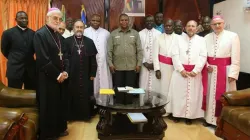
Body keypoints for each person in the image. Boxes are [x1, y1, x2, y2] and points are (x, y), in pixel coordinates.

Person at [33, 8, 69, 139]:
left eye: (60, 19)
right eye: (55, 18)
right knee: (49, 105)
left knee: (59, 104)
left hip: (60, 76)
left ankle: (59, 128)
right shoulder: (40, 34)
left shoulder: (58, 36)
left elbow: (64, 55)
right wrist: (57, 75)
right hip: (47, 77)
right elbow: (42, 58)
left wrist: (65, 71)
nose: (58, 21)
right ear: (47, 18)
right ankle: (49, 134)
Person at [204, 15, 240, 126]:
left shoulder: (233, 36)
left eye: (219, 23)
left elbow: (236, 57)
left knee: (224, 96)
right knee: (210, 95)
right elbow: (203, 55)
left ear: (223, 24)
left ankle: (223, 122)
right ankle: (209, 120)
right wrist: (206, 65)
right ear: (211, 26)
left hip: (226, 71)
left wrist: (233, 73)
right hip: (211, 71)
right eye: (215, 24)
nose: (217, 26)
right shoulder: (206, 37)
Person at [169, 20, 207, 125]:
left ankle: (190, 116)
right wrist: (181, 69)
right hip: (180, 72)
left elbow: (203, 56)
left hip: (194, 73)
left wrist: (196, 70)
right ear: (185, 28)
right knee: (178, 95)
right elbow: (174, 55)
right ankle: (176, 114)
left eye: (193, 26)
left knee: (193, 95)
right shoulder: (178, 39)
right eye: (189, 26)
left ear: (196, 28)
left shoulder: (201, 40)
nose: (191, 28)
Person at [65, 19, 97, 121]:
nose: (79, 29)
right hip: (71, 74)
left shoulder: (89, 41)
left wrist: (93, 73)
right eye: (77, 27)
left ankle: (85, 116)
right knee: (71, 95)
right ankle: (72, 116)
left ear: (84, 29)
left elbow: (93, 59)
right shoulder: (67, 41)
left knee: (86, 94)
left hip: (86, 74)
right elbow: (64, 59)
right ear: (73, 28)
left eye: (81, 27)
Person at [107, 13, 143, 104]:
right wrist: (110, 64)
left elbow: (139, 50)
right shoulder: (113, 34)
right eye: (122, 20)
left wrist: (139, 64)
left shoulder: (135, 33)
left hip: (132, 66)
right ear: (119, 22)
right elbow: (109, 51)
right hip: (117, 67)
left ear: (129, 21)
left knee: (129, 88)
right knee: (119, 88)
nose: (124, 22)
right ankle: (119, 106)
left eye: (126, 20)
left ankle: (128, 105)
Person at [1, 11, 36, 90]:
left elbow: (34, 50)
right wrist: (14, 58)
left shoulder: (34, 33)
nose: (24, 20)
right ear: (15, 19)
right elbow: (4, 50)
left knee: (31, 94)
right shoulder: (8, 33)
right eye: (21, 18)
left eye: (26, 18)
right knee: (13, 95)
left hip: (30, 70)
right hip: (14, 69)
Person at [84, 14, 112, 104]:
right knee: (92, 84)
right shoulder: (85, 32)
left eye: (98, 21)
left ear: (101, 22)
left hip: (103, 64)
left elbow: (109, 48)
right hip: (90, 64)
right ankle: (93, 105)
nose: (95, 22)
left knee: (105, 81)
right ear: (90, 21)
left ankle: (105, 103)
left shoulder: (106, 33)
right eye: (93, 20)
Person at [153, 19, 177, 116]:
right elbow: (155, 55)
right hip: (162, 67)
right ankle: (161, 110)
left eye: (170, 26)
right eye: (166, 26)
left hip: (174, 69)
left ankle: (171, 110)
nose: (167, 27)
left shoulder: (178, 38)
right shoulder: (158, 38)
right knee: (161, 89)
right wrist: (157, 69)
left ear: (173, 27)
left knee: (173, 89)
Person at [139, 15, 161, 96]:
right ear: (145, 22)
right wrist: (145, 63)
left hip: (155, 64)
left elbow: (160, 50)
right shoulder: (140, 33)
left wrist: (155, 64)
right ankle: (142, 102)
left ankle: (153, 102)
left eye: (151, 21)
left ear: (154, 22)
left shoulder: (159, 34)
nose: (149, 23)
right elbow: (139, 50)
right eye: (147, 21)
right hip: (144, 64)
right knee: (143, 82)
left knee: (155, 84)